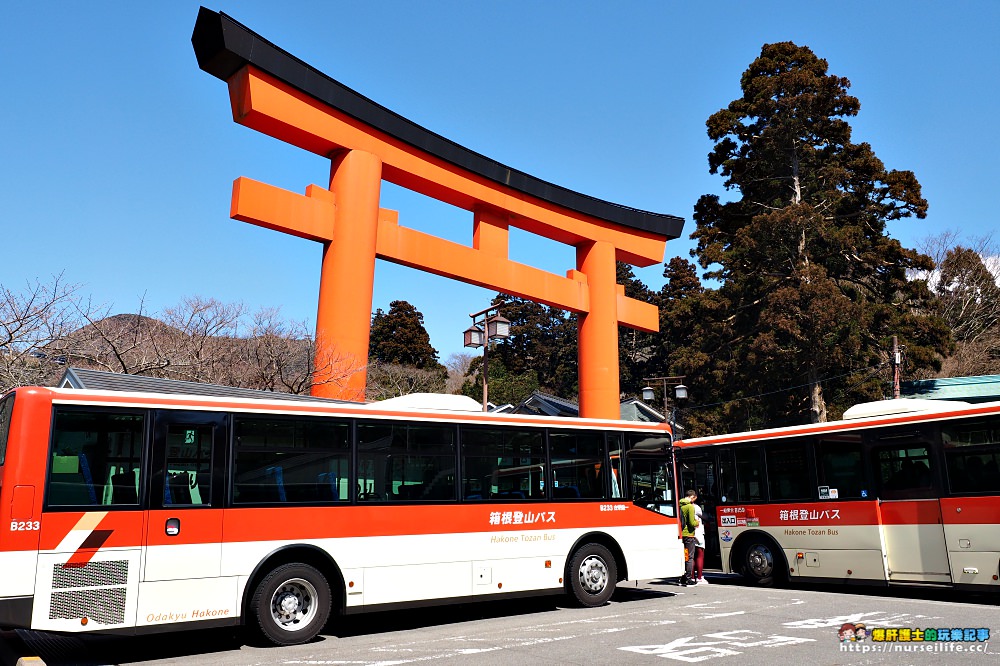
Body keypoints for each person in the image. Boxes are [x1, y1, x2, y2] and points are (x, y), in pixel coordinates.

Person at [679, 489, 699, 586]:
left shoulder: (680, 505)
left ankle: (683, 577)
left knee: (685, 556)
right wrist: (697, 522)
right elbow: (691, 522)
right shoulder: (690, 507)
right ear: (692, 496)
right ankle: (688, 578)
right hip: (689, 534)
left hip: (682, 534)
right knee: (690, 557)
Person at [693, 495, 709, 584]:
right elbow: (705, 517)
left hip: (687, 534)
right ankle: (699, 577)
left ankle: (691, 577)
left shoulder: (682, 507)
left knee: (691, 557)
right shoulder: (696, 508)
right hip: (698, 533)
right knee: (700, 554)